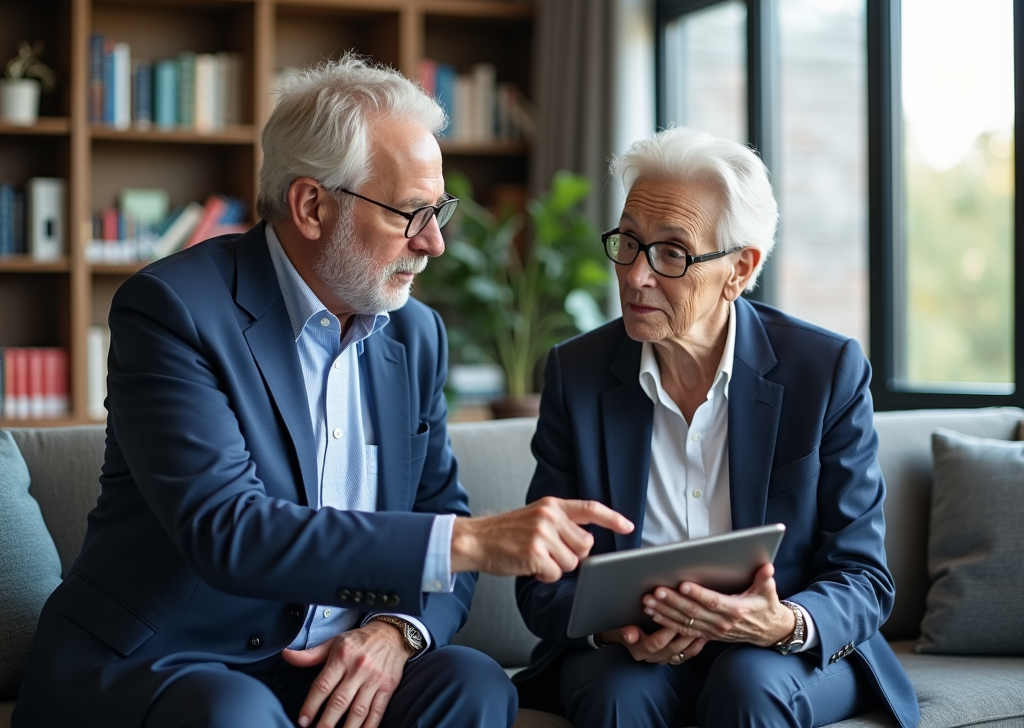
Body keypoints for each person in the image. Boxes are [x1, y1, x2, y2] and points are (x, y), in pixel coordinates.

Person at [13, 54, 632, 728]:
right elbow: (229, 531)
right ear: (311, 205)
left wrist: (396, 632)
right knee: (234, 713)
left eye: (440, 210)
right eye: (411, 213)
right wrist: (468, 540)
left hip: (330, 660)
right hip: (176, 658)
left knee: (473, 682)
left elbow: (435, 502)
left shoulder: (414, 335)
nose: (435, 243)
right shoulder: (172, 310)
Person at [512, 127, 921, 728]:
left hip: (776, 649)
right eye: (628, 242)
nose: (635, 276)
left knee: (748, 684)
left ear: (740, 270)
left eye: (671, 253)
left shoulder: (823, 371)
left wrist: (783, 623)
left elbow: (863, 573)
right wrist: (616, 631)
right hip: (632, 651)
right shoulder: (577, 373)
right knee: (616, 693)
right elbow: (542, 581)